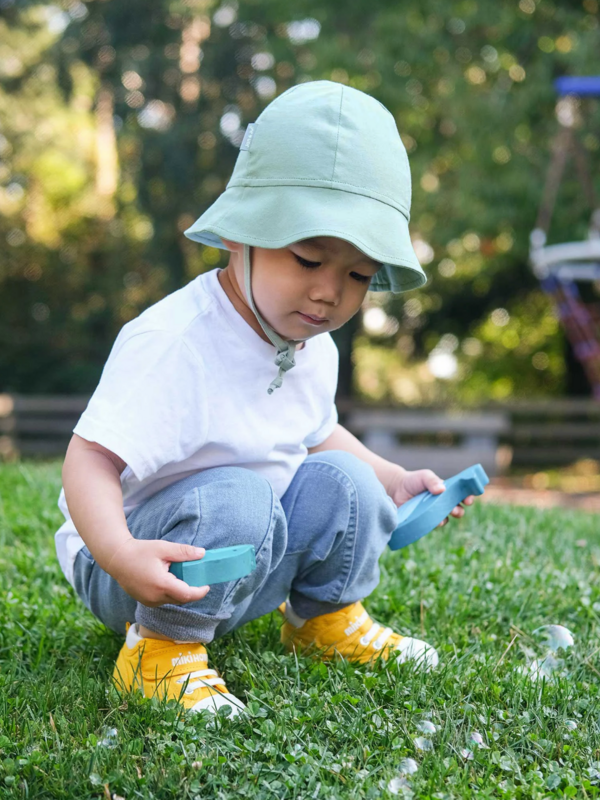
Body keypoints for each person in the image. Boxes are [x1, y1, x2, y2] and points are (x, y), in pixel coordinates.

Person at [57, 80, 475, 719]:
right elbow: (89, 459)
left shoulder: (313, 345)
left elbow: (316, 433)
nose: (330, 293)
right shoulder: (177, 342)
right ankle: (158, 653)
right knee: (240, 490)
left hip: (246, 554)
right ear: (239, 237)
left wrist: (390, 480)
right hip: (135, 560)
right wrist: (119, 552)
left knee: (347, 479)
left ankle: (322, 621)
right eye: (308, 258)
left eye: (359, 275)